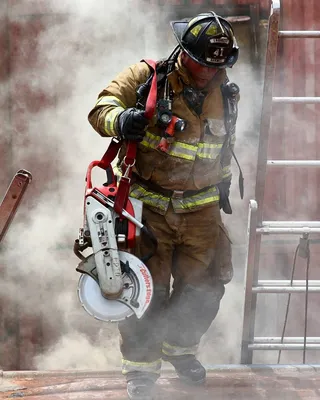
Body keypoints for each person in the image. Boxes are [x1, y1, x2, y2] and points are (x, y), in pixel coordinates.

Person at [88, 10, 240, 400]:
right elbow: (101, 107)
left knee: (205, 289)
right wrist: (121, 120)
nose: (209, 72)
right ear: (183, 51)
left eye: (217, 65)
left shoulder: (226, 91)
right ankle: (141, 371)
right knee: (144, 291)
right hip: (148, 207)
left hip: (203, 210)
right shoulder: (147, 77)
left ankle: (180, 350)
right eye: (203, 63)